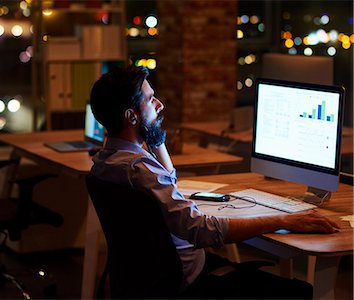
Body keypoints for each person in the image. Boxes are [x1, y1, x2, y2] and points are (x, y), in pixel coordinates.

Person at [89, 66, 340, 299]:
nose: (160, 105)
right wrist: (285, 220)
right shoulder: (141, 171)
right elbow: (202, 230)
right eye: (150, 99)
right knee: (300, 292)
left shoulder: (105, 162)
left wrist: (152, 133)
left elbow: (167, 182)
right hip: (189, 282)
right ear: (131, 116)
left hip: (146, 280)